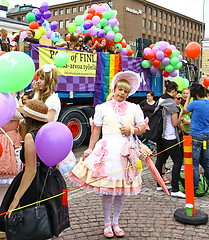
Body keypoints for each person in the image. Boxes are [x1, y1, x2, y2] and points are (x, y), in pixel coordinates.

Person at [70, 71, 150, 238]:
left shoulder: (135, 108)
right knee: (108, 190)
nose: (122, 93)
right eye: (119, 89)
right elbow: (95, 131)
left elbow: (142, 128)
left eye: (125, 91)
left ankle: (116, 222)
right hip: (107, 152)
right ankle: (107, 223)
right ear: (114, 89)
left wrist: (132, 129)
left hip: (126, 153)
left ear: (129, 94)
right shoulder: (102, 108)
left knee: (121, 190)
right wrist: (89, 150)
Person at [0, 99, 70, 237]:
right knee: (47, 223)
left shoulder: (30, 136)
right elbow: (57, 163)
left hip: (35, 186)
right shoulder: (51, 134)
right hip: (54, 182)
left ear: (28, 119)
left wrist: (16, 199)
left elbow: (31, 171)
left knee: (33, 224)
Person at [155, 81, 185, 198]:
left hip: (160, 136)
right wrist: (181, 112)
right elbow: (175, 123)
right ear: (173, 91)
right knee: (177, 160)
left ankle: (159, 184)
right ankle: (175, 188)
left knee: (160, 159)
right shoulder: (172, 104)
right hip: (170, 136)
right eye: (176, 91)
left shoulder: (160, 101)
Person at [182, 83, 209, 196]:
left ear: (196, 94)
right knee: (207, 161)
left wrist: (188, 98)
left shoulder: (195, 103)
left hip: (197, 135)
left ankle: (195, 187)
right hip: (207, 135)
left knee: (194, 163)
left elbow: (184, 110)